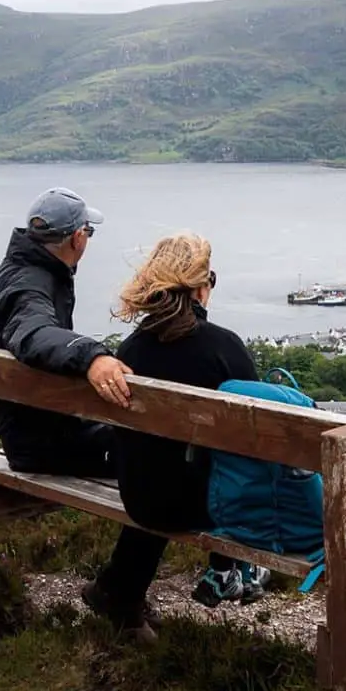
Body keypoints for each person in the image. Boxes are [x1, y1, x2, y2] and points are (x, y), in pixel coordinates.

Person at [79, 232, 271, 643]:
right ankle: (119, 594)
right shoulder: (224, 349)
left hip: (140, 496)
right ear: (201, 287)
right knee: (194, 477)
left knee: (161, 473)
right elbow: (262, 438)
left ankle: (118, 592)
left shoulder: (128, 351)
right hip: (203, 507)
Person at [0, 186, 134, 475]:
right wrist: (92, 356)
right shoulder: (30, 285)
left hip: (33, 429)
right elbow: (32, 331)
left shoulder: (17, 268)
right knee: (153, 451)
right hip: (42, 445)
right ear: (78, 238)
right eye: (88, 231)